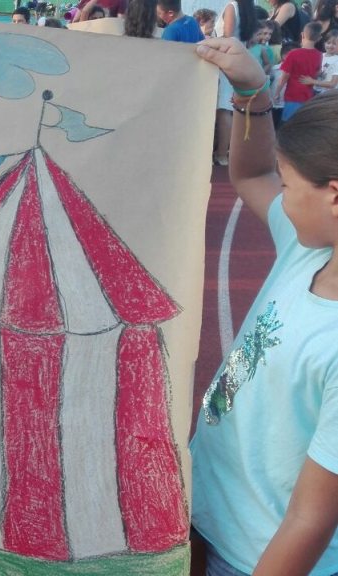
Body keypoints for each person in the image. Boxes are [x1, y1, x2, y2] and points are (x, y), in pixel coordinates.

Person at [193, 34, 338, 576]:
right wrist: (251, 92)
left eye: (290, 182)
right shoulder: (309, 250)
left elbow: (310, 520)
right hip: (205, 511)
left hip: (251, 557)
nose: (281, 193)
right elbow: (252, 174)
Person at [212, 0, 257, 166]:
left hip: (226, 61)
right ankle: (226, 152)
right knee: (231, 109)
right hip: (239, 60)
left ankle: (222, 154)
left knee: (224, 109)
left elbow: (227, 37)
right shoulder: (248, 9)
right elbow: (249, 40)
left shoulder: (232, 7)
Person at [274, 21, 324, 121]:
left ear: (302, 34)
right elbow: (316, 74)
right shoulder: (319, 55)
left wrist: (277, 93)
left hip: (293, 95)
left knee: (288, 123)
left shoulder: (293, 54)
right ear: (319, 38)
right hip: (308, 95)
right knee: (301, 123)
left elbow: (284, 77)